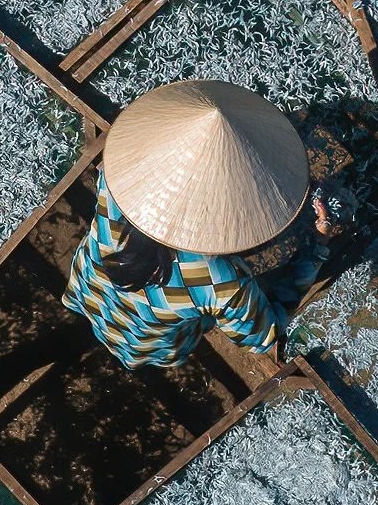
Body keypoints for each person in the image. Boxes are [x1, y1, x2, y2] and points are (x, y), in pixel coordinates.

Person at [64, 80, 335, 368]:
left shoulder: (119, 183)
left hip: (88, 290)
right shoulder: (221, 282)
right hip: (143, 342)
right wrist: (317, 246)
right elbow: (262, 337)